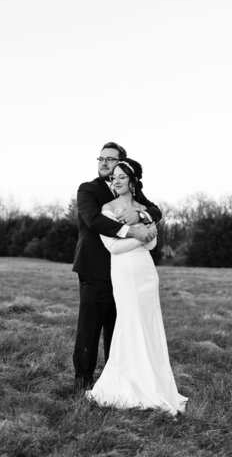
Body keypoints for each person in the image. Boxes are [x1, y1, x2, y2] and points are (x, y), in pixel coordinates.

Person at [85, 158, 188, 415]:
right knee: (130, 323)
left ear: (133, 181)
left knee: (149, 324)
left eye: (121, 176)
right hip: (125, 271)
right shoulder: (107, 209)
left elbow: (152, 244)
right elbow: (114, 247)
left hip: (146, 273)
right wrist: (139, 235)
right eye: (113, 177)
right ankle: (127, 383)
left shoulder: (144, 208)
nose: (116, 181)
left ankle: (153, 381)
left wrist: (145, 235)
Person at [72, 142, 162, 392]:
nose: (103, 163)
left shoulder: (128, 188)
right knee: (89, 327)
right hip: (95, 269)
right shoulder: (88, 190)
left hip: (125, 273)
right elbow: (94, 220)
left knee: (119, 326)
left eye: (110, 159)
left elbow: (155, 210)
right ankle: (83, 381)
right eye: (100, 158)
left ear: (122, 163)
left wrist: (141, 216)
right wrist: (131, 230)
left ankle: (117, 379)